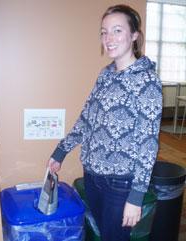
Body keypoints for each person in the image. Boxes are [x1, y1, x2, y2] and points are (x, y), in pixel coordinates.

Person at [47, 4, 162, 241]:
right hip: (92, 177)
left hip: (120, 185)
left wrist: (136, 196)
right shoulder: (105, 75)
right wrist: (61, 151)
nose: (108, 38)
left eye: (117, 30)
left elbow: (148, 144)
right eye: (104, 31)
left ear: (134, 36)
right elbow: (86, 119)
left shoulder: (147, 81)